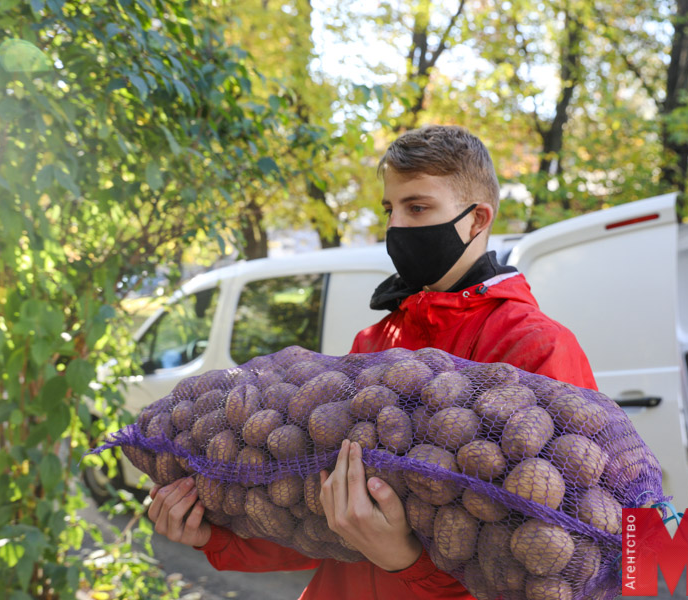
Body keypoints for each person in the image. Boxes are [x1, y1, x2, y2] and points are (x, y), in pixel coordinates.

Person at [146, 125, 597, 599]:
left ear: (477, 219)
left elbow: (550, 566)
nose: (397, 226)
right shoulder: (377, 339)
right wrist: (213, 537)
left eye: (417, 207)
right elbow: (318, 518)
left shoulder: (534, 348)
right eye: (390, 209)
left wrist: (404, 559)